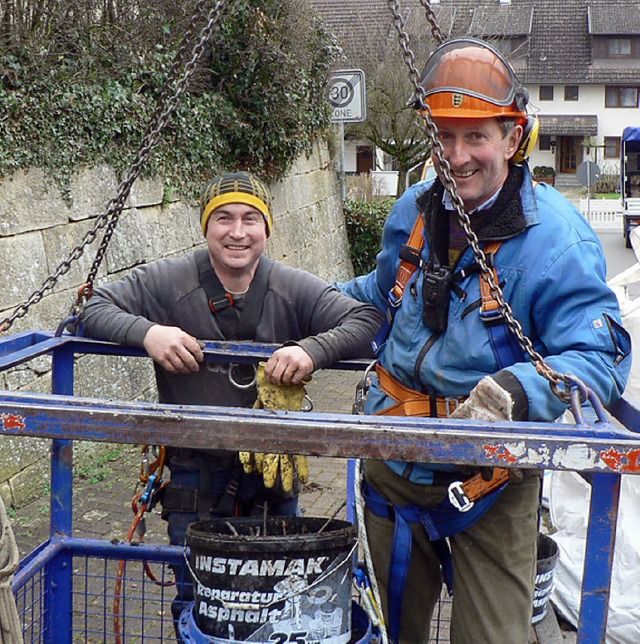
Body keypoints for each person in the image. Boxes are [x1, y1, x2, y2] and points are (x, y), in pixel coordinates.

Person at [337, 38, 631, 643]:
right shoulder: (414, 213)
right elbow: (375, 292)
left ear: (513, 136)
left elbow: (598, 356)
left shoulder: (557, 242)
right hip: (393, 465)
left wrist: (515, 392)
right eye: (445, 136)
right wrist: (292, 312)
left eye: (476, 136)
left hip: (490, 480)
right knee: (394, 632)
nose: (458, 155)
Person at [80, 170, 383, 626]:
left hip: (273, 476)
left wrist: (312, 349)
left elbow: (365, 319)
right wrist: (148, 333)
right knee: (198, 601)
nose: (237, 232)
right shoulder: (169, 280)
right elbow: (94, 306)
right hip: (193, 472)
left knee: (280, 601)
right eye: (223, 218)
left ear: (266, 228)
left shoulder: (291, 286)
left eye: (250, 219)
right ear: (206, 226)